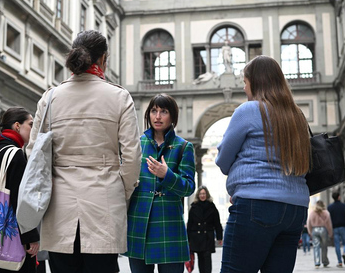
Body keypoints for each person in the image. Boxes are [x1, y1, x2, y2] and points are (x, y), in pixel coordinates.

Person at [27, 30, 142, 273]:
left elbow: (33, 153)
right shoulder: (119, 97)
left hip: (59, 205)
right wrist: (123, 190)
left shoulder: (49, 98)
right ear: (103, 59)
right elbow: (132, 156)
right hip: (104, 201)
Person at [215, 55, 310, 273]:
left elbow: (222, 160)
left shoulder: (248, 110)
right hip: (295, 210)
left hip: (256, 205)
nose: (244, 87)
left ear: (255, 82)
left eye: (245, 82)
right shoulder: (297, 116)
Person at [126, 93, 196, 273]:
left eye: (163, 111)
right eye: (153, 111)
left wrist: (167, 175)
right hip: (139, 224)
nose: (157, 116)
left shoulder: (183, 146)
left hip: (170, 225)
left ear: (172, 115)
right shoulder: (136, 144)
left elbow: (189, 188)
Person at [0, 107, 40, 272]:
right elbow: (19, 199)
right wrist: (31, 236)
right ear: (17, 126)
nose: (33, 129)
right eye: (30, 124)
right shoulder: (15, 154)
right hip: (14, 236)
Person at [187, 186, 223, 273]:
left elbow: (217, 223)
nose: (202, 195)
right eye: (200, 194)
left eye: (204, 193)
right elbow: (190, 224)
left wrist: (219, 237)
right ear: (198, 195)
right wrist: (188, 239)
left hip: (208, 237)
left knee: (207, 258)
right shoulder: (194, 208)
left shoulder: (212, 207)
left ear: (207, 195)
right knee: (200, 259)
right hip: (197, 238)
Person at [327, 191, 345, 267]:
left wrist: (329, 230)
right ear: (339, 197)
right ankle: (344, 252)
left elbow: (329, 220)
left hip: (334, 228)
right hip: (343, 227)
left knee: (337, 245)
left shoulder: (330, 207)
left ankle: (339, 262)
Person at [307, 200, 333, 268]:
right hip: (323, 230)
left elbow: (308, 223)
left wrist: (310, 231)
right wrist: (330, 233)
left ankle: (317, 262)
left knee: (316, 247)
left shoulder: (312, 213)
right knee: (324, 247)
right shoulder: (326, 213)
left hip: (314, 230)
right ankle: (325, 261)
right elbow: (328, 224)